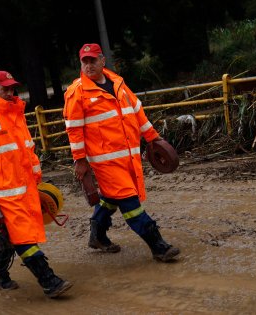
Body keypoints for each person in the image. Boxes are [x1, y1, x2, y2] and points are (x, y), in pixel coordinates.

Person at [63, 44, 180, 262]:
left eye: (92, 60)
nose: (88, 65)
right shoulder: (76, 93)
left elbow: (137, 112)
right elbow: (74, 131)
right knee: (129, 202)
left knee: (110, 198)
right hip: (104, 162)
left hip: (128, 156)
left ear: (102, 61)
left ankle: (97, 236)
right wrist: (80, 161)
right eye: (84, 61)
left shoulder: (118, 83)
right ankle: (158, 246)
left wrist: (153, 138)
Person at [0, 70, 73, 298]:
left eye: (12, 87)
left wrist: (36, 179)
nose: (9, 92)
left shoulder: (15, 112)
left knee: (9, 236)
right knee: (23, 237)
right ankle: (49, 281)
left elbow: (27, 149)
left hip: (23, 188)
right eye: (4, 88)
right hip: (2, 193)